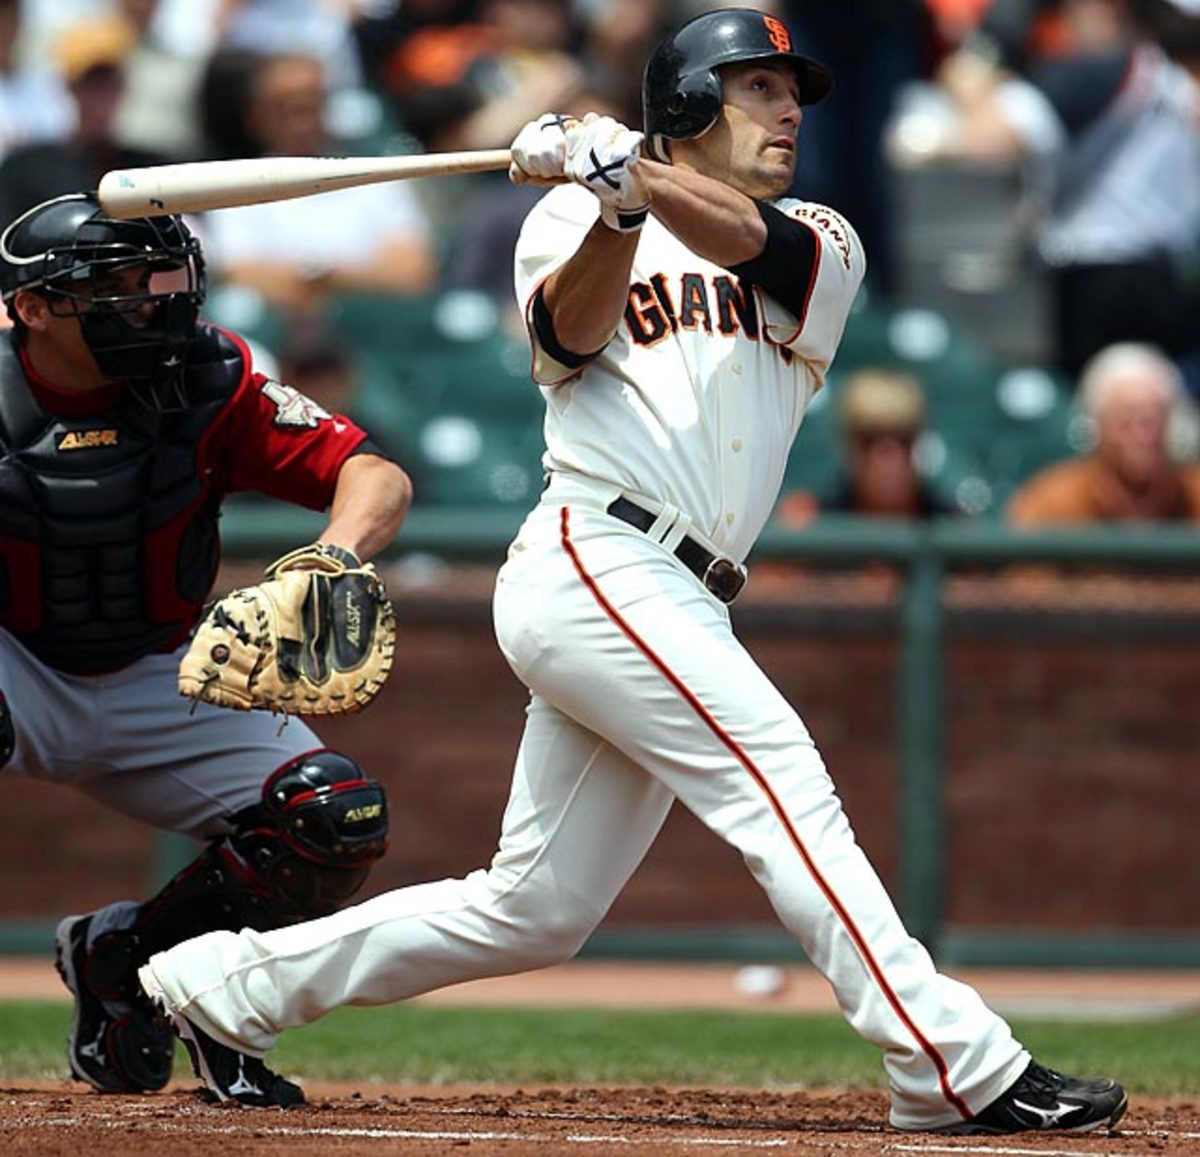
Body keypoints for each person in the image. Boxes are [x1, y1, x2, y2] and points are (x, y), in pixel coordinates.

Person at [136, 9, 1127, 1136]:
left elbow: (758, 247)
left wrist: (639, 173)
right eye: (758, 87)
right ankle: (953, 1061)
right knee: (779, 777)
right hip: (597, 552)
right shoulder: (569, 212)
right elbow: (565, 337)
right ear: (694, 102)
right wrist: (611, 203)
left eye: (791, 90)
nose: (790, 109)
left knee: (535, 906)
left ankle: (224, 986)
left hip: (682, 587)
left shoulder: (824, 237)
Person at [0, 191, 411, 1101]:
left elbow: (373, 472)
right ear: (31, 307)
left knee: (333, 820)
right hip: (15, 660)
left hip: (165, 665)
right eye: (116, 288)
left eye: (158, 281)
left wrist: (331, 558)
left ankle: (126, 962)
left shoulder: (207, 375)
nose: (154, 304)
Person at [1006, 341, 1200, 523]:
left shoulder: (1192, 497)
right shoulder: (1049, 504)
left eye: (1151, 422)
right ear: (1098, 425)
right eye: (1126, 423)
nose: (1142, 437)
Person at [776, 367, 962, 523]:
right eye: (869, 440)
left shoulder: (952, 525)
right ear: (849, 445)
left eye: (903, 439)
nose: (889, 457)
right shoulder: (808, 519)